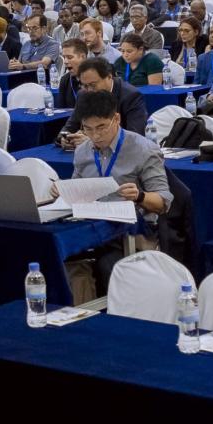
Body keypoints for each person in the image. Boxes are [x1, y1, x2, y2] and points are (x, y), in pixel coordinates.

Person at [65, 89, 172, 287]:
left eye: (101, 127)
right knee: (60, 262)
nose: (95, 136)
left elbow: (163, 202)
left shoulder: (144, 149)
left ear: (117, 119)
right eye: (88, 129)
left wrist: (140, 196)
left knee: (110, 266)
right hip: (92, 230)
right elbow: (77, 191)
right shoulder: (82, 152)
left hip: (131, 234)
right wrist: (64, 191)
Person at [62, 57, 148, 142]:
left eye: (93, 85)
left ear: (109, 77)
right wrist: (65, 138)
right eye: (85, 85)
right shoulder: (83, 94)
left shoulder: (130, 96)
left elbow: (135, 136)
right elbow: (70, 126)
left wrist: (92, 140)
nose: (89, 90)